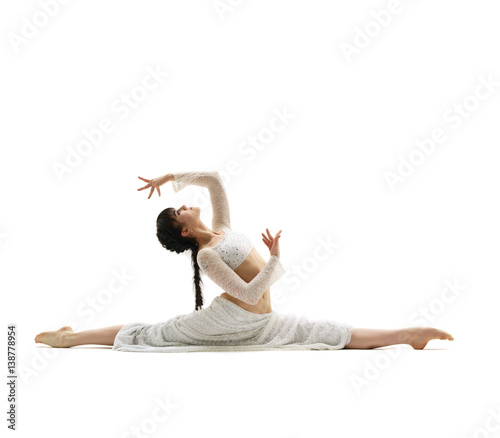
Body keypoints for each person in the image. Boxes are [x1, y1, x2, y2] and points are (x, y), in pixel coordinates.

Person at [35, 171, 454, 351]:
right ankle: (67, 338)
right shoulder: (208, 255)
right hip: (227, 320)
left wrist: (169, 178)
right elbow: (251, 291)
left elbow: (214, 178)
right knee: (148, 334)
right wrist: (274, 258)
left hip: (258, 319)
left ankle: (408, 334)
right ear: (184, 230)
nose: (184, 204)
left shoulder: (222, 228)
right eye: (179, 209)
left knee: (323, 330)